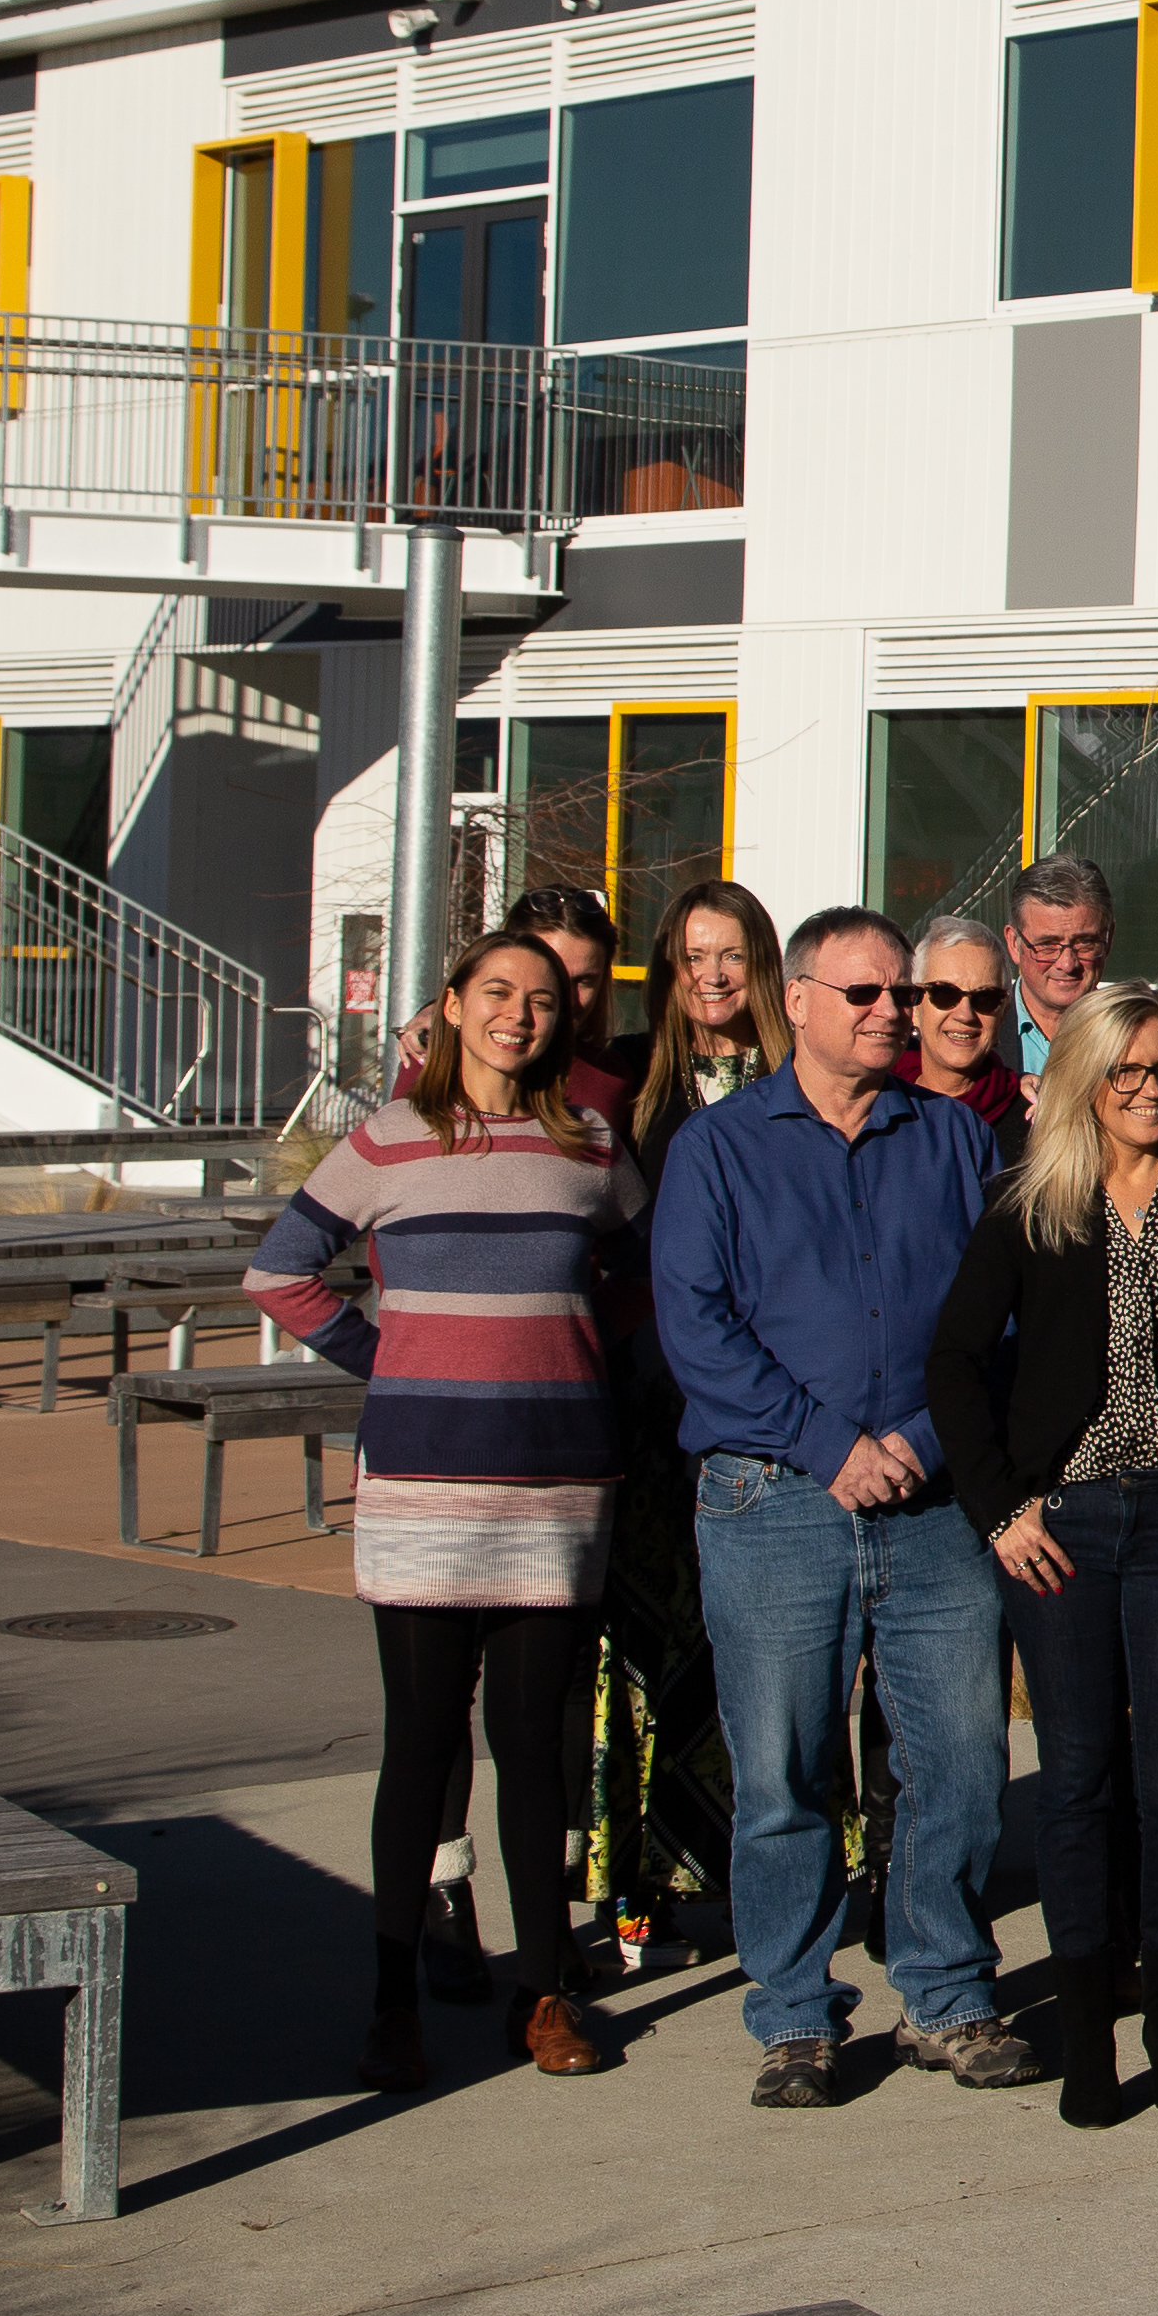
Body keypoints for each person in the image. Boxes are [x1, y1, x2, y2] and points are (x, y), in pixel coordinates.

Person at [646, 904, 1030, 2108]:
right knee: (783, 1771)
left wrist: (914, 1441)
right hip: (773, 1500)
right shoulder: (718, 1150)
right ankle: (797, 2015)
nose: (891, 1016)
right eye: (865, 995)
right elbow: (695, 1325)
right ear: (799, 1000)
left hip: (931, 1499)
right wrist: (828, 1446)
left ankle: (950, 1994)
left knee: (960, 1759)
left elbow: (1000, 1317)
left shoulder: (952, 1145)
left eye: (901, 997)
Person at [257, 925, 642, 2088]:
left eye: (539, 997)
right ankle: (391, 2003)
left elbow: (640, 1276)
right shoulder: (386, 1141)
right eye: (496, 993)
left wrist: (584, 1364)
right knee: (421, 1745)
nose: (519, 1014)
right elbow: (281, 1270)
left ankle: (544, 1995)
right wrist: (392, 1360)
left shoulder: (590, 1145)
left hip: (557, 1477)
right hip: (424, 1480)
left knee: (532, 1752)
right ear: (455, 1004)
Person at [934, 985, 1158, 2127]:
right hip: (1067, 1525)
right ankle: (1089, 2036)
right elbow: (954, 1363)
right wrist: (1001, 1511)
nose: (1149, 1090)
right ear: (1084, 1078)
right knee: (1078, 1782)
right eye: (1125, 1071)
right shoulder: (1032, 1203)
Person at [386, 884, 636, 1133]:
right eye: (548, 974)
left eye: (584, 981)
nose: (565, 998)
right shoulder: (435, 1060)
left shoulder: (612, 1078)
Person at [626, 881, 791, 1176]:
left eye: (733, 957)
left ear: (761, 964)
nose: (714, 977)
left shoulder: (800, 1072)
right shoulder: (631, 1067)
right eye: (694, 958)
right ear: (670, 967)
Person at [905, 913, 1028, 1162]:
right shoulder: (875, 1103)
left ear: (1003, 1013)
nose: (965, 1014)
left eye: (986, 998)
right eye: (944, 993)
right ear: (915, 1006)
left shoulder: (1034, 1121)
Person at [1004, 855, 1119, 1077]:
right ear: (1013, 943)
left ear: (1109, 939)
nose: (1067, 963)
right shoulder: (975, 1034)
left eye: (1085, 942)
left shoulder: (1134, 1037)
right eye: (1047, 944)